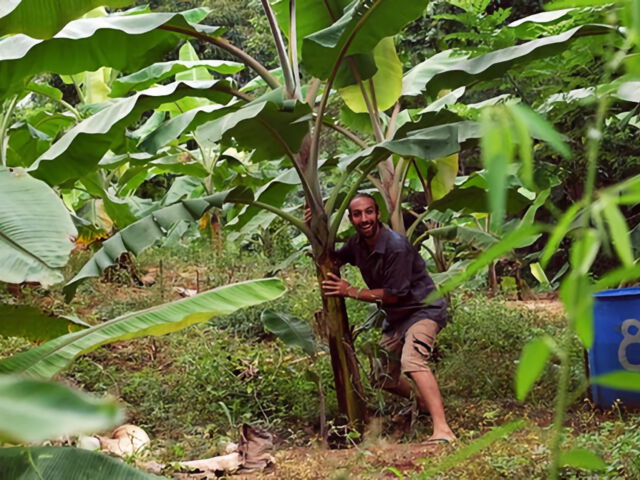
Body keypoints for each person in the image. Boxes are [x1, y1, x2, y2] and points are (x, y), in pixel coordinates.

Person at [321, 193, 456, 443]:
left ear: (377, 214)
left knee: (413, 361)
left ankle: (443, 430)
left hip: (422, 310)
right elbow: (334, 258)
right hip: (396, 318)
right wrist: (314, 226)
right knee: (383, 377)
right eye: (358, 214)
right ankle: (423, 404)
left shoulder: (396, 246)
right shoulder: (357, 244)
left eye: (369, 212)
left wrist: (351, 291)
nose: (365, 219)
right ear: (350, 219)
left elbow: (395, 295)